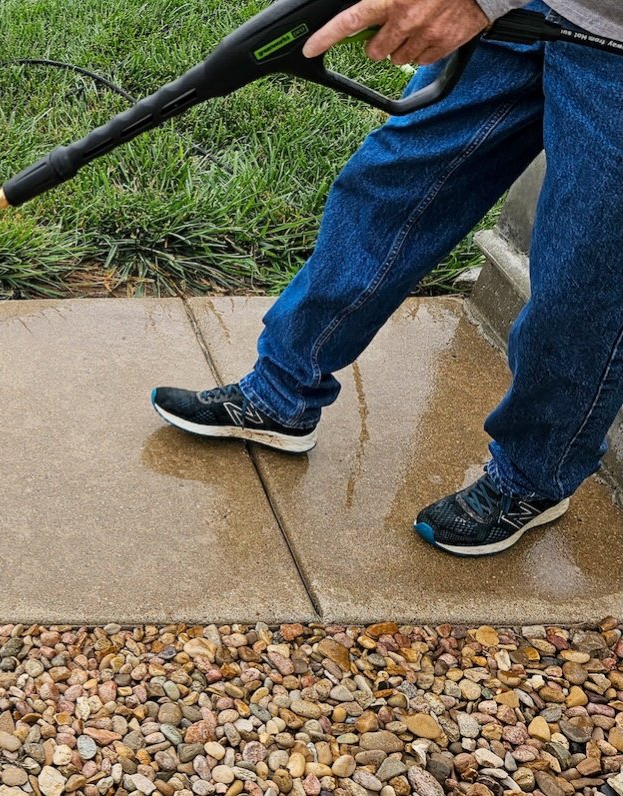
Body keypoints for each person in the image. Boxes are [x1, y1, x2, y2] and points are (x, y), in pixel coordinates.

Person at [151, 0, 623, 556]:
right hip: (526, 10)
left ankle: (534, 477)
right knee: (388, 187)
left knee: (584, 275)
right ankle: (281, 393)